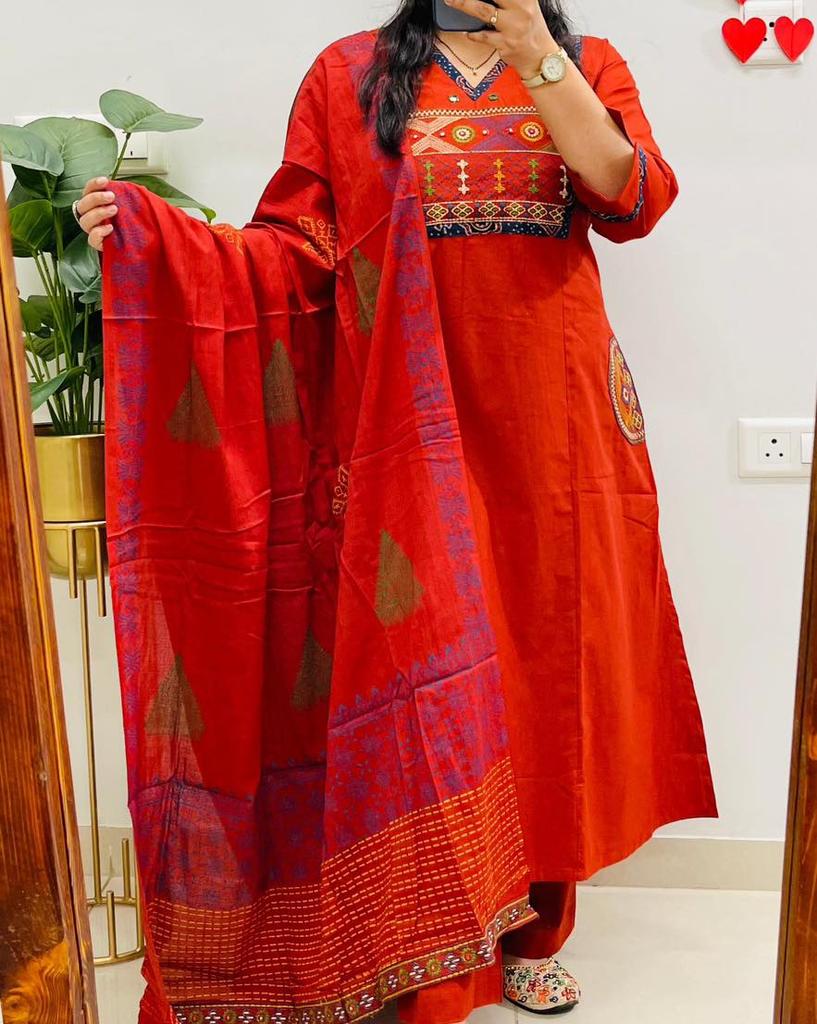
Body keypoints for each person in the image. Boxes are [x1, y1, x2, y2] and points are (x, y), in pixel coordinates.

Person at [77, 1, 718, 1021]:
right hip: (400, 416)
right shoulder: (351, 74)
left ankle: (534, 929)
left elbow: (631, 196)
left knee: (546, 665)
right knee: (418, 662)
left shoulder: (586, 62)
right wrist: (166, 241)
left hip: (553, 424)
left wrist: (536, 52)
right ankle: (430, 937)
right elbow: (295, 245)